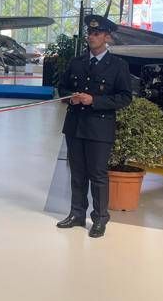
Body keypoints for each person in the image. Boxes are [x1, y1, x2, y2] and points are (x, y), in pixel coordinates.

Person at [56, 14, 132, 238]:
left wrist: (95, 101)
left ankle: (99, 218)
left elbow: (125, 97)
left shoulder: (118, 65)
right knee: (77, 173)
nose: (91, 36)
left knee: (98, 175)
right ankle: (77, 214)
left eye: (96, 33)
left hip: (100, 128)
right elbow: (62, 87)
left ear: (107, 37)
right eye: (89, 33)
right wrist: (71, 97)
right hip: (75, 125)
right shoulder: (76, 62)